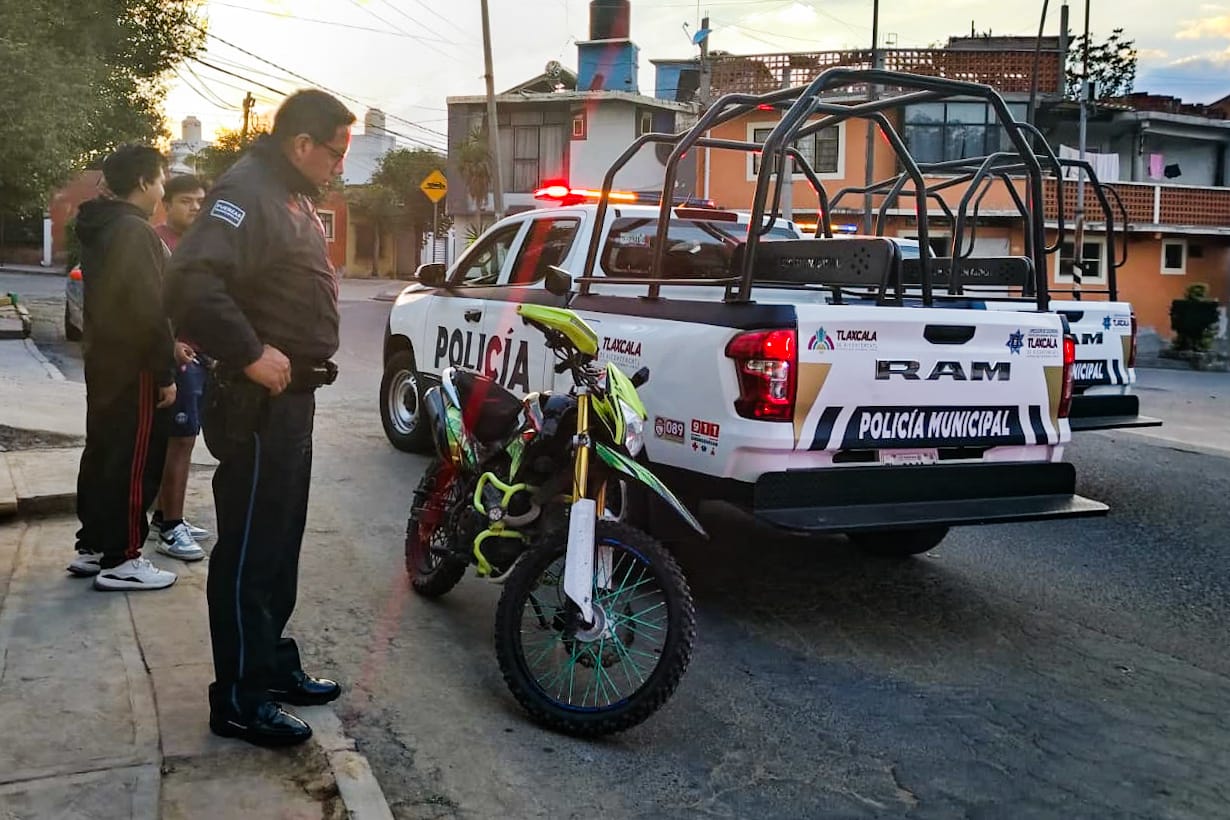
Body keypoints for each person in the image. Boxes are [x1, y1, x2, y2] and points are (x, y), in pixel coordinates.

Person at [165, 90, 353, 747]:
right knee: (249, 551)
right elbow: (189, 281)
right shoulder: (246, 190)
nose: (339, 165)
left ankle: (269, 665)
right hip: (257, 404)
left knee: (279, 542)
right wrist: (248, 352)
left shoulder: (290, 193)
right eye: (335, 152)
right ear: (302, 143)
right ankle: (239, 699)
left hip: (292, 403)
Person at [67, 145, 179, 592]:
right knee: (134, 459)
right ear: (143, 182)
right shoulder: (135, 230)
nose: (163, 189)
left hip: (105, 360)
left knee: (104, 452)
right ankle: (124, 557)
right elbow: (149, 309)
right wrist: (165, 371)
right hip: (135, 365)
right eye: (161, 180)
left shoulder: (101, 226)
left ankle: (94, 545)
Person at [150, 174, 210, 562]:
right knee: (179, 440)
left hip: (201, 355)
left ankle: (166, 517)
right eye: (186, 201)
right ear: (167, 203)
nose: (195, 208)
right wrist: (169, 345)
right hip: (177, 358)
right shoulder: (156, 242)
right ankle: (171, 528)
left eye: (200, 201)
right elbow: (148, 304)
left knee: (185, 439)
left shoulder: (200, 244)